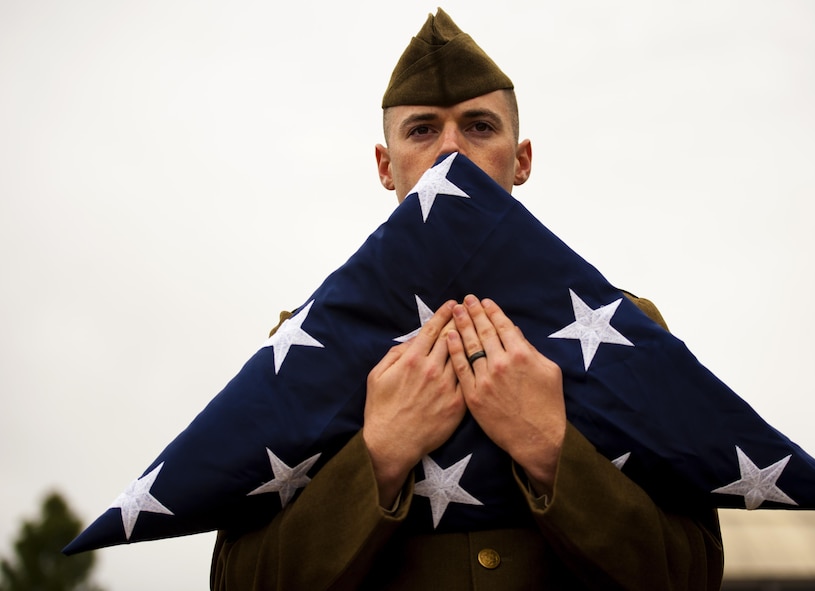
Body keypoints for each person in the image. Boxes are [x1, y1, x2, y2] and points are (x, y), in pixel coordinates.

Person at [211, 9, 724, 590]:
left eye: (479, 127)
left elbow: (694, 575)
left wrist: (548, 447)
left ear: (521, 159)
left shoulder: (625, 329)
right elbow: (237, 581)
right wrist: (381, 453)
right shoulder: (309, 343)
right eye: (422, 130)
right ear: (385, 166)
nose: (450, 152)